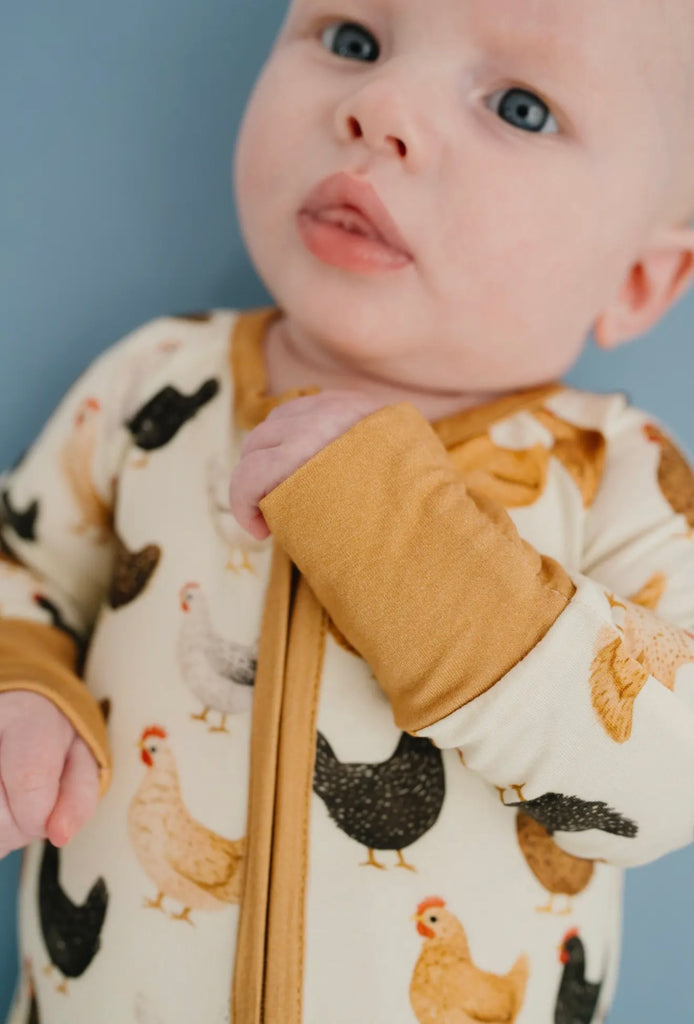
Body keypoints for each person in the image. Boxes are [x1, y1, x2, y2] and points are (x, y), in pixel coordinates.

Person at [3, 0, 694, 1020]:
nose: (381, 106)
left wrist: (407, 545)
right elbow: (25, 566)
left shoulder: (615, 476)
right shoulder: (155, 384)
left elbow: (670, 774)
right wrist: (24, 684)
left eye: (519, 105)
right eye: (353, 40)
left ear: (637, 279)